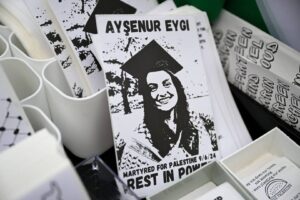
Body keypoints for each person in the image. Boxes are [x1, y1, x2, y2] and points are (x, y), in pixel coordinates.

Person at [117, 40, 215, 170]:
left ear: (177, 87)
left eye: (166, 84)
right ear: (147, 96)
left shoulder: (196, 121)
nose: (162, 93)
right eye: (153, 88)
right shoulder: (138, 143)